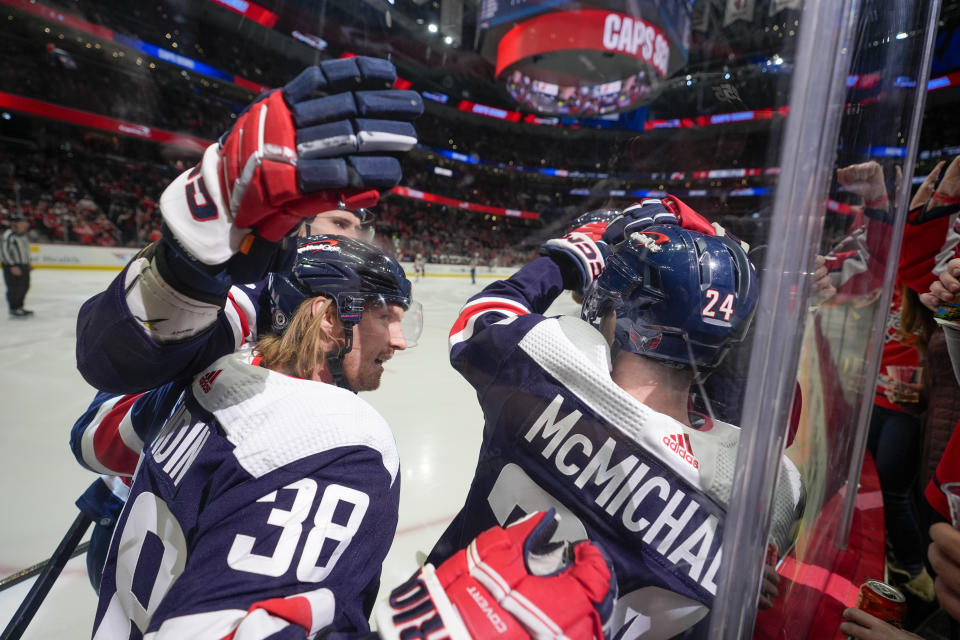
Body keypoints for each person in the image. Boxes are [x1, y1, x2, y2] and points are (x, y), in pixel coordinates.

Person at [427, 198, 805, 639]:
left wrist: (574, 257)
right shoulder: (769, 481)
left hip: (450, 619)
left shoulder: (548, 361)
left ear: (625, 313)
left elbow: (482, 316)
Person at [75, 56, 424, 394]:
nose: (357, 242)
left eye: (363, 231)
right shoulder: (249, 298)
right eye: (339, 223)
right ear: (294, 223)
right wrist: (189, 269)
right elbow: (114, 368)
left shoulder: (346, 308)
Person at [1, 214, 33, 318]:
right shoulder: (8, 235)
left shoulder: (23, 236)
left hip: (23, 265)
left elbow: (25, 251)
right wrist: (11, 265)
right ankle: (14, 308)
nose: (25, 225)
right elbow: (4, 252)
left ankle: (20, 306)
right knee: (14, 288)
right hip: (13, 266)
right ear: (15, 224)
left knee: (25, 286)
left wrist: (28, 262)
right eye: (22, 223)